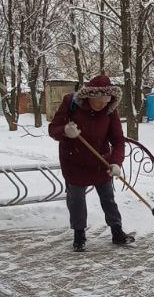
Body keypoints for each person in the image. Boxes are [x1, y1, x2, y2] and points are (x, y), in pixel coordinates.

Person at [48, 74, 134, 252]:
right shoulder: (71, 103)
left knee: (108, 198)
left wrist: (116, 162)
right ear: (90, 95)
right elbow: (53, 129)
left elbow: (118, 140)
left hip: (100, 161)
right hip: (74, 162)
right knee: (76, 200)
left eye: (107, 100)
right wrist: (65, 130)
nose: (103, 104)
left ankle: (117, 231)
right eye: (100, 100)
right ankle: (79, 236)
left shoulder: (110, 109)